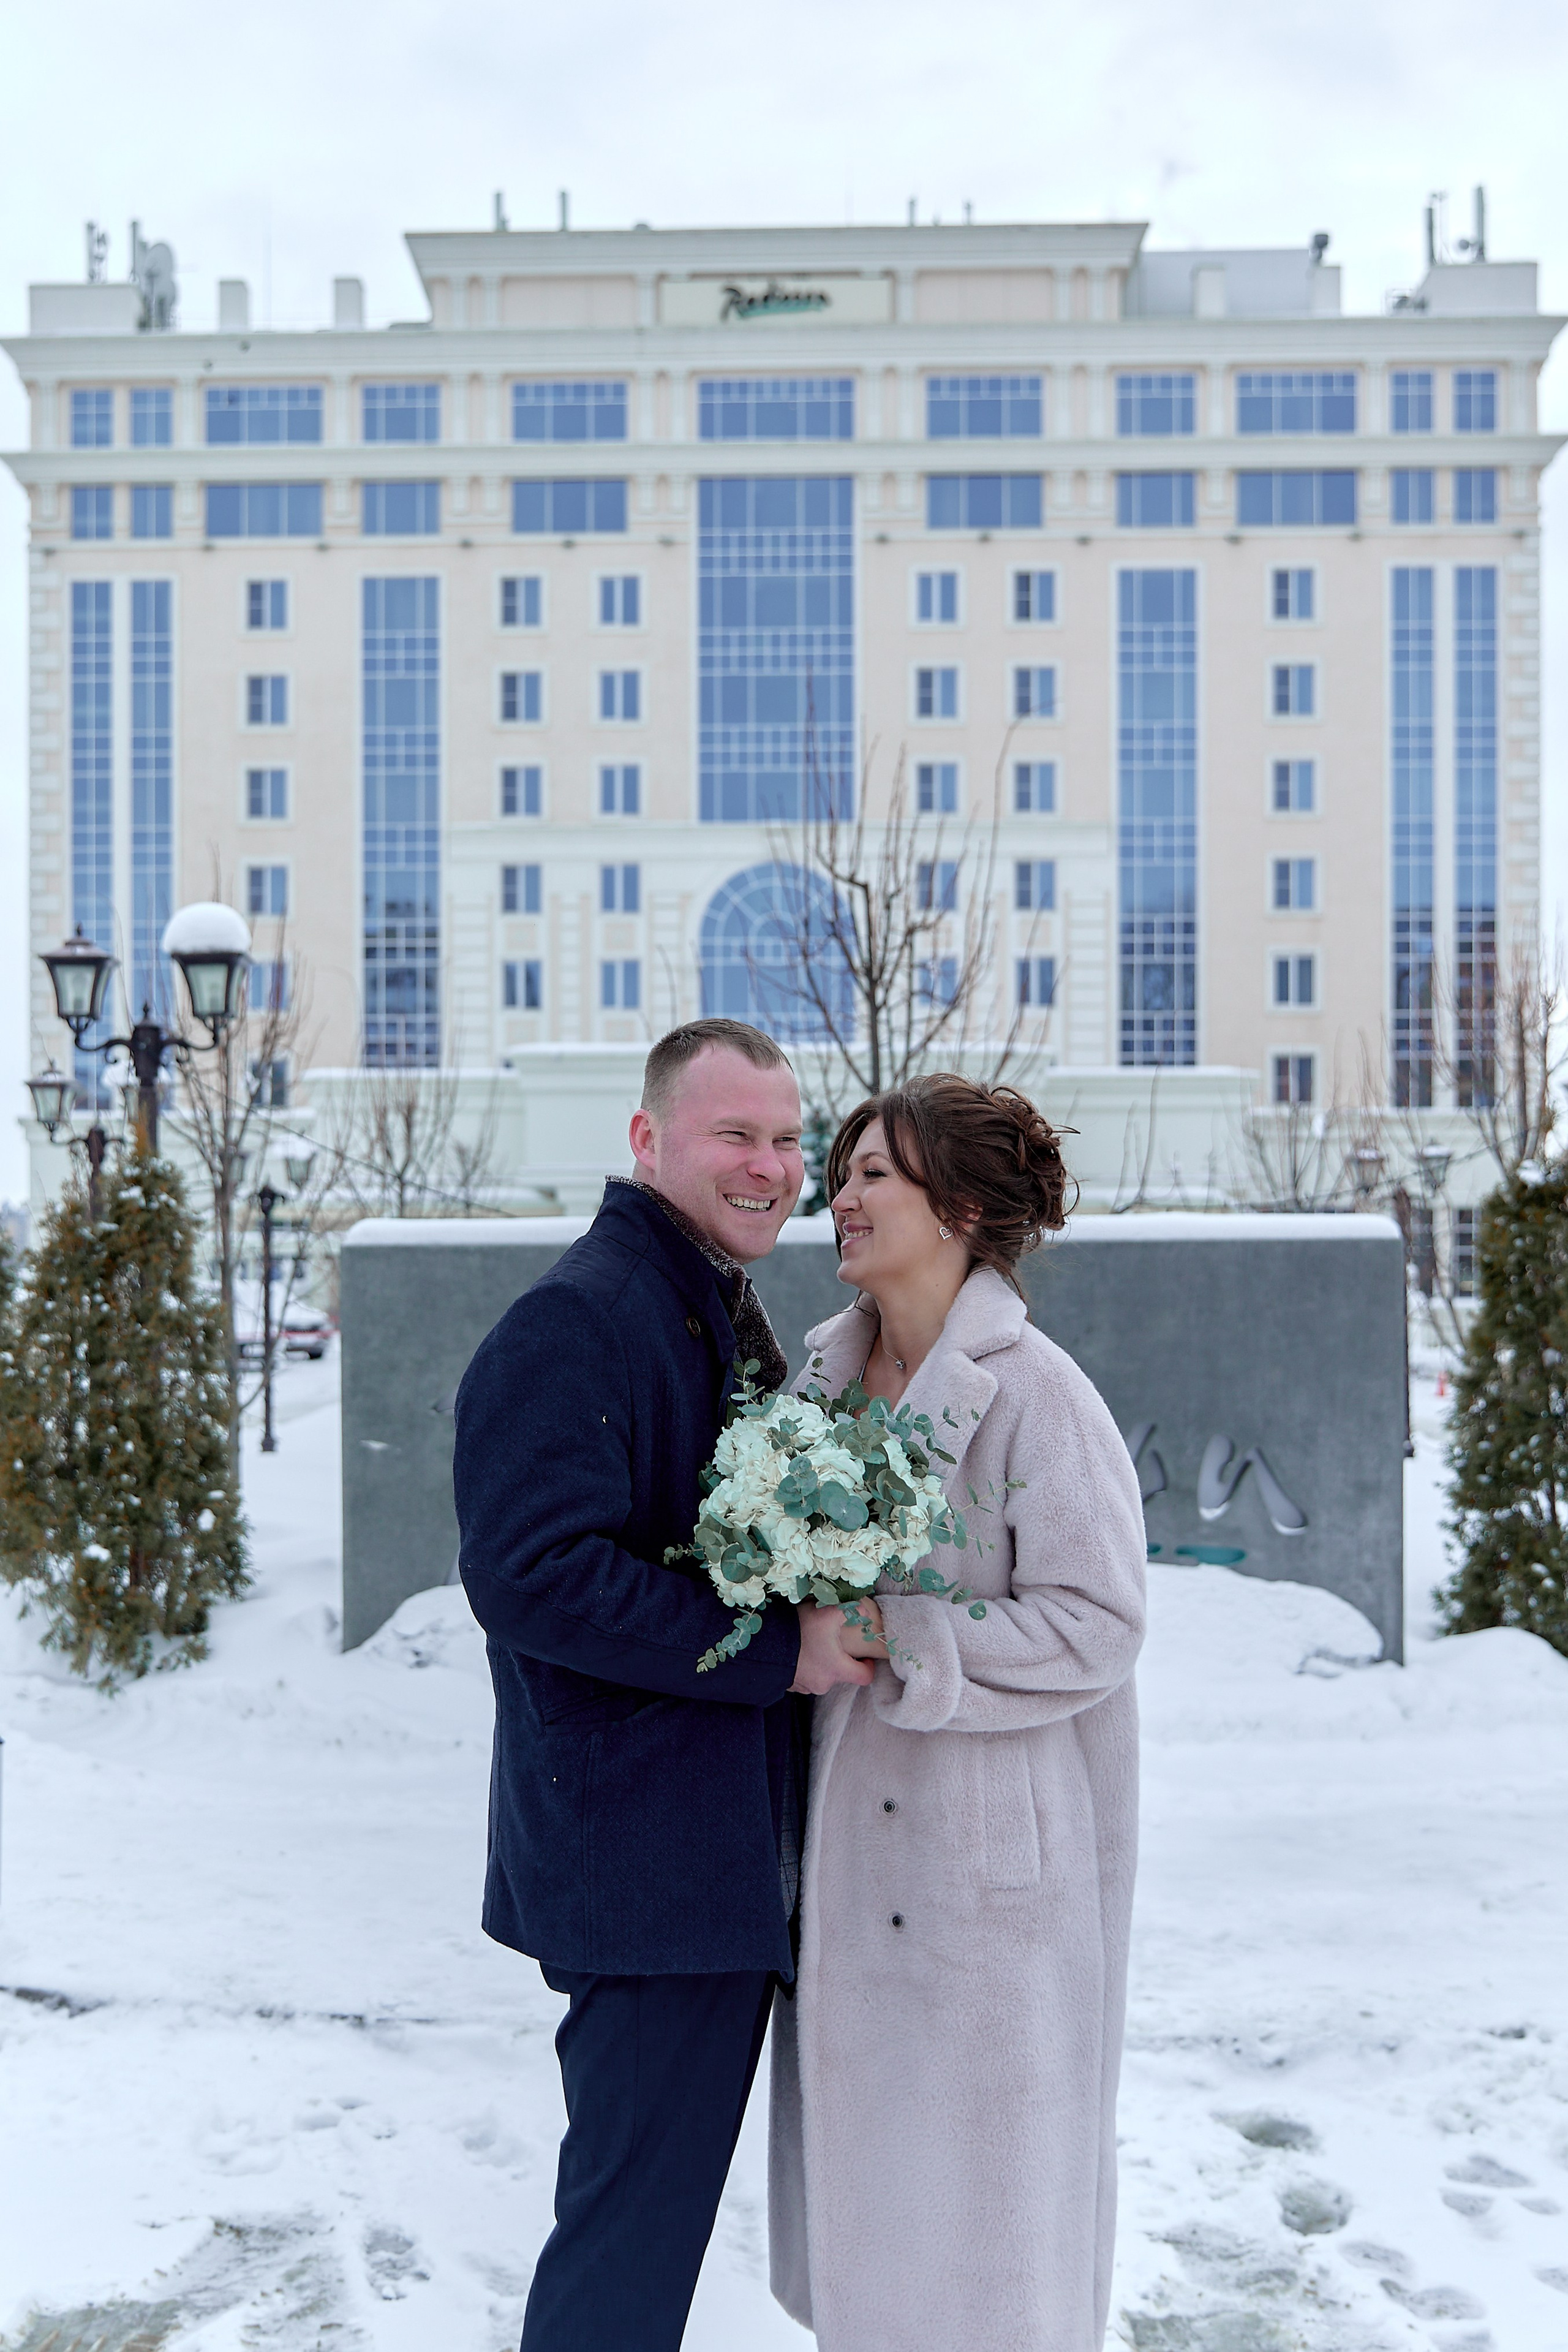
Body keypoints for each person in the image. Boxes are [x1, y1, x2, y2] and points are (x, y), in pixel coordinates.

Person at [452, 1018, 871, 2352]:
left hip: (693, 1869)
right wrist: (776, 1651)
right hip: (645, 1876)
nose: (770, 1167)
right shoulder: (581, 1317)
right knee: (625, 2256)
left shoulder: (693, 1303)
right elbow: (529, 1573)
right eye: (734, 1134)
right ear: (647, 1140)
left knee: (641, 2242)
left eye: (788, 1139)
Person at [769, 1072, 1147, 2352]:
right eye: (843, 1170)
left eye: (876, 1172)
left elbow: (1097, 1623)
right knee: (875, 2235)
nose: (842, 1193)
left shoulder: (1039, 1395)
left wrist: (902, 1636)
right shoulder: (818, 1387)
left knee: (988, 2243)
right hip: (844, 1855)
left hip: (990, 1873)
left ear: (963, 1208)